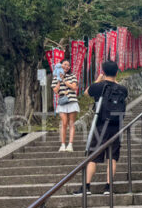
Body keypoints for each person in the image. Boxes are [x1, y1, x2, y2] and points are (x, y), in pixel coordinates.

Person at [75, 60, 129, 195]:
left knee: (93, 156)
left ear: (103, 72)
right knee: (112, 157)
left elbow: (87, 92)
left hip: (100, 125)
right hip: (116, 126)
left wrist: (99, 79)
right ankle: (108, 187)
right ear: (117, 72)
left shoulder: (99, 87)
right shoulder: (123, 89)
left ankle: (86, 187)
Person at [51, 60, 79, 152]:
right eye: (64, 64)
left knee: (71, 123)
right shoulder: (55, 77)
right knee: (64, 123)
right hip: (62, 102)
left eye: (68, 65)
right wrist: (59, 80)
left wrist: (64, 80)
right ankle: (62, 144)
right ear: (60, 65)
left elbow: (74, 87)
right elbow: (55, 90)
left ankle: (70, 144)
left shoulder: (72, 76)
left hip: (72, 101)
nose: (66, 66)